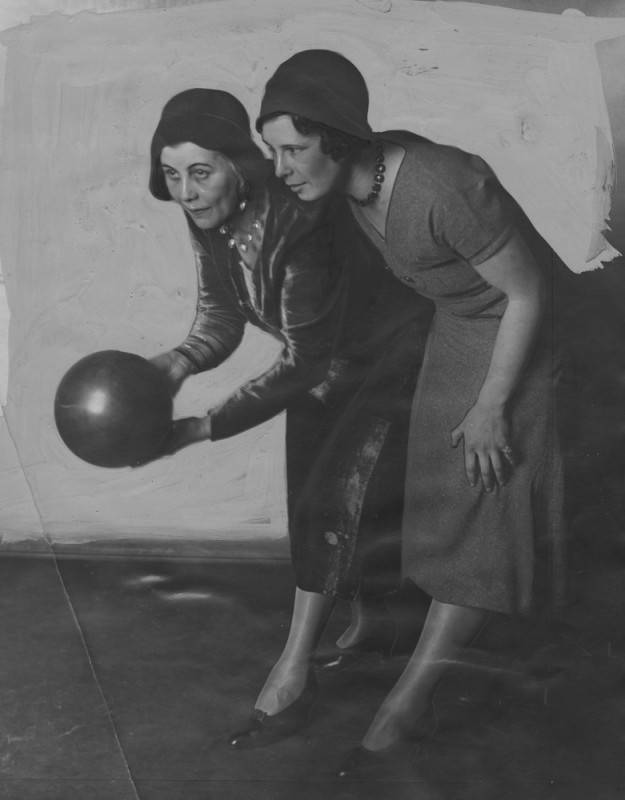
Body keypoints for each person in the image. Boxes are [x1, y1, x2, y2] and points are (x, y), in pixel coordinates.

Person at [257, 49, 566, 773]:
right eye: (273, 151)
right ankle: (399, 681)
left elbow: (527, 295)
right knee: (443, 508)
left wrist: (493, 407)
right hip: (459, 332)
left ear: (337, 138)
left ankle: (407, 703)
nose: (283, 167)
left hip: (524, 338)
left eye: (294, 150)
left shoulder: (440, 184)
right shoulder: (352, 188)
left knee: (483, 500)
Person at [146, 88, 432, 748]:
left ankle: (294, 664)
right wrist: (172, 365)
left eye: (200, 171)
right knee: (306, 497)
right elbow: (220, 316)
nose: (186, 192)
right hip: (327, 363)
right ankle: (368, 627)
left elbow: (302, 363)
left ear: (238, 166)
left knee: (336, 497)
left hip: (397, 354)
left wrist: (198, 428)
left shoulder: (299, 222)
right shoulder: (209, 218)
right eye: (171, 173)